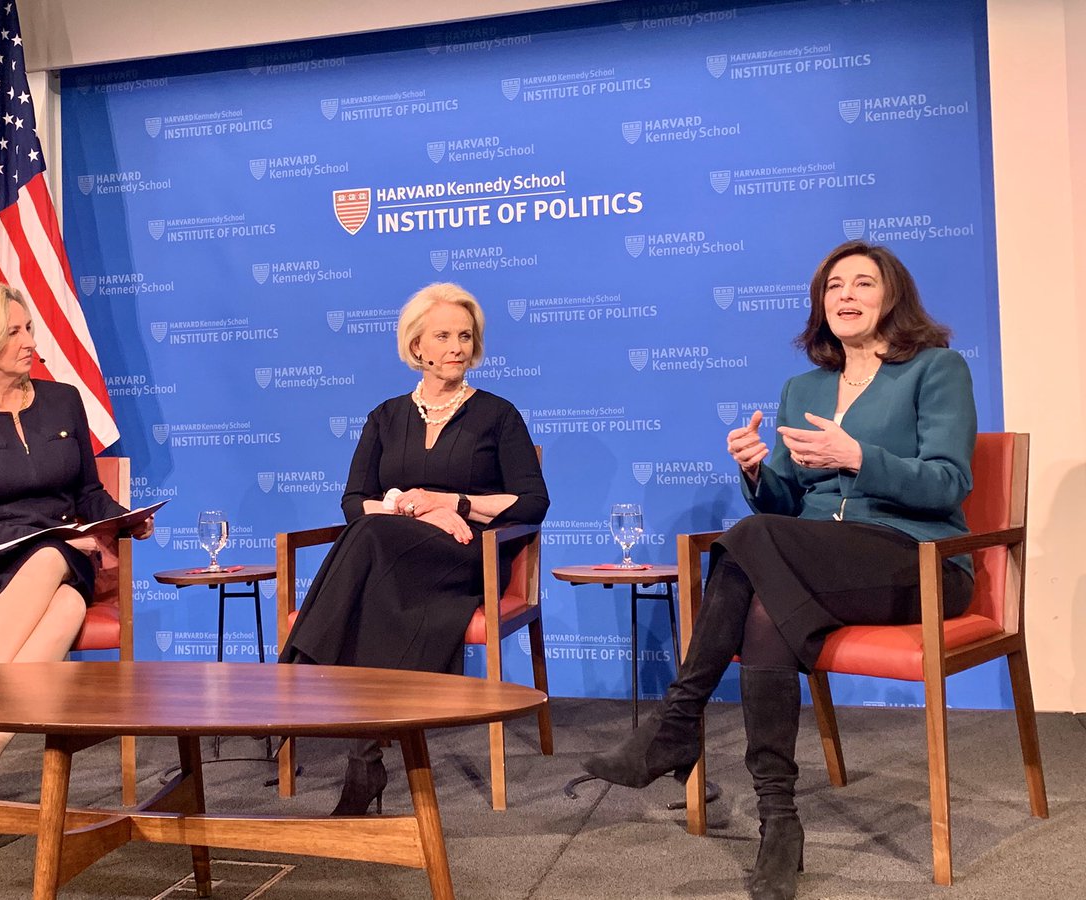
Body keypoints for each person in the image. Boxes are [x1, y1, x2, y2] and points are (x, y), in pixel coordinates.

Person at [582, 241, 976, 900]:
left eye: (862, 283)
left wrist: (858, 456)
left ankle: (677, 722)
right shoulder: (804, 388)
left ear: (893, 296)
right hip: (821, 562)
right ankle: (779, 822)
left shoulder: (936, 369)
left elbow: (949, 482)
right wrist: (756, 469)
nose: (845, 296)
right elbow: (784, 506)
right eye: (833, 287)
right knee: (763, 606)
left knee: (750, 544)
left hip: (917, 560)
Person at [280, 282, 549, 815]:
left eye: (465, 337)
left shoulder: (498, 414)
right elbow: (354, 502)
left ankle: (297, 671)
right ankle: (364, 759)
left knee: (370, 540)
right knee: (373, 546)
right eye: (443, 336)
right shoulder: (385, 416)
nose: (456, 347)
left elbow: (532, 502)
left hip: (464, 555)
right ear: (417, 346)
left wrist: (453, 503)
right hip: (392, 559)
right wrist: (415, 509)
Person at [0, 283, 154, 849]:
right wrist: (51, 537)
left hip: (62, 559)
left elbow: (88, 494)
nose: (30, 341)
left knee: (60, 581)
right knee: (62, 589)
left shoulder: (63, 400)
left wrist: (124, 520)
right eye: (15, 332)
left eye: (29, 329)